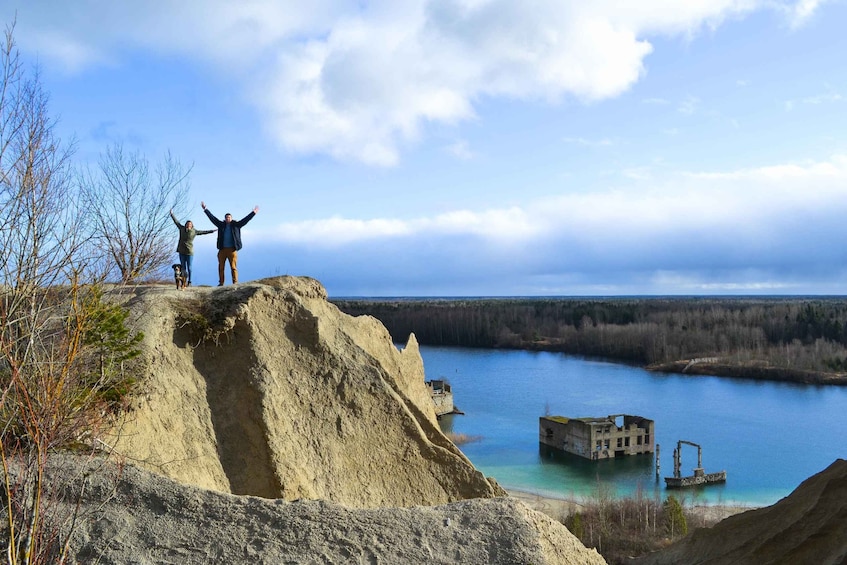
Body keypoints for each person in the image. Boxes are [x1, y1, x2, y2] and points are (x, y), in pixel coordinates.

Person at [201, 201, 259, 286]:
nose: (228, 219)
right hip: (222, 249)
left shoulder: (236, 225)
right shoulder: (221, 225)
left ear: (231, 218)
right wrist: (205, 209)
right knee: (221, 267)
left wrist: (253, 213)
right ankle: (221, 283)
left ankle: (235, 283)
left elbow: (245, 220)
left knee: (233, 267)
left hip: (232, 249)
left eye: (229, 217)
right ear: (225, 219)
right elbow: (212, 218)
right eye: (226, 218)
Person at [170, 209, 215, 287]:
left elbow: (203, 232)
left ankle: (189, 282)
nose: (189, 225)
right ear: (186, 224)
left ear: (192, 225)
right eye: (187, 224)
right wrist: (172, 214)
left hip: (189, 252)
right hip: (181, 251)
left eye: (190, 224)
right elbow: (176, 222)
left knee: (189, 267)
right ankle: (183, 282)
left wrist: (212, 231)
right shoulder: (182, 228)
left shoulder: (194, 231)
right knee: (183, 268)